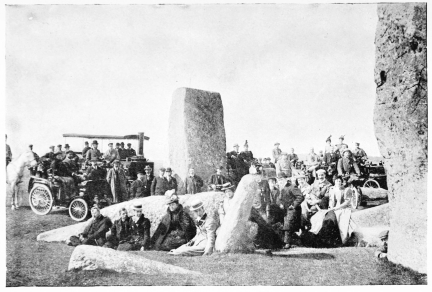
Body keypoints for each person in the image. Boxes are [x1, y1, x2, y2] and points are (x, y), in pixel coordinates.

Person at [280, 176, 304, 249]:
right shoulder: (282, 188)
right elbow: (280, 198)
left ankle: (287, 243)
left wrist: (293, 205)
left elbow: (300, 197)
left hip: (293, 209)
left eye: (281, 178)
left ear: (286, 179)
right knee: (284, 224)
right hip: (285, 209)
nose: (280, 180)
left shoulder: (292, 186)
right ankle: (288, 241)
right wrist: (280, 203)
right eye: (279, 179)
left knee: (288, 224)